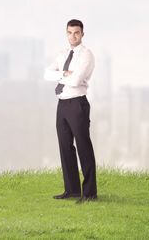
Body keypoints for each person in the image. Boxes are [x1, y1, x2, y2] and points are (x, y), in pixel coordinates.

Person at [43, 19, 97, 204]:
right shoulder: (62, 54)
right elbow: (46, 74)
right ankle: (72, 189)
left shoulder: (86, 55)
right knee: (65, 147)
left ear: (82, 34)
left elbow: (76, 81)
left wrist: (63, 76)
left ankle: (89, 193)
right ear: (66, 33)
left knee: (83, 147)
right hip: (62, 104)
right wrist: (64, 74)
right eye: (69, 32)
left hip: (77, 104)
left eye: (76, 32)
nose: (72, 36)